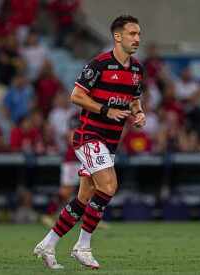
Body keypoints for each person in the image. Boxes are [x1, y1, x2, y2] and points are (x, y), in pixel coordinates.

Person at [34, 14, 145, 269]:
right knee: (109, 186)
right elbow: (77, 96)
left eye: (138, 34)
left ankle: (48, 244)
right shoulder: (99, 64)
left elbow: (134, 101)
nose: (137, 39)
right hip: (89, 136)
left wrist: (138, 114)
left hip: (111, 141)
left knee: (85, 197)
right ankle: (82, 246)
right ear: (117, 37)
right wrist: (106, 110)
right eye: (132, 34)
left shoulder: (138, 69)